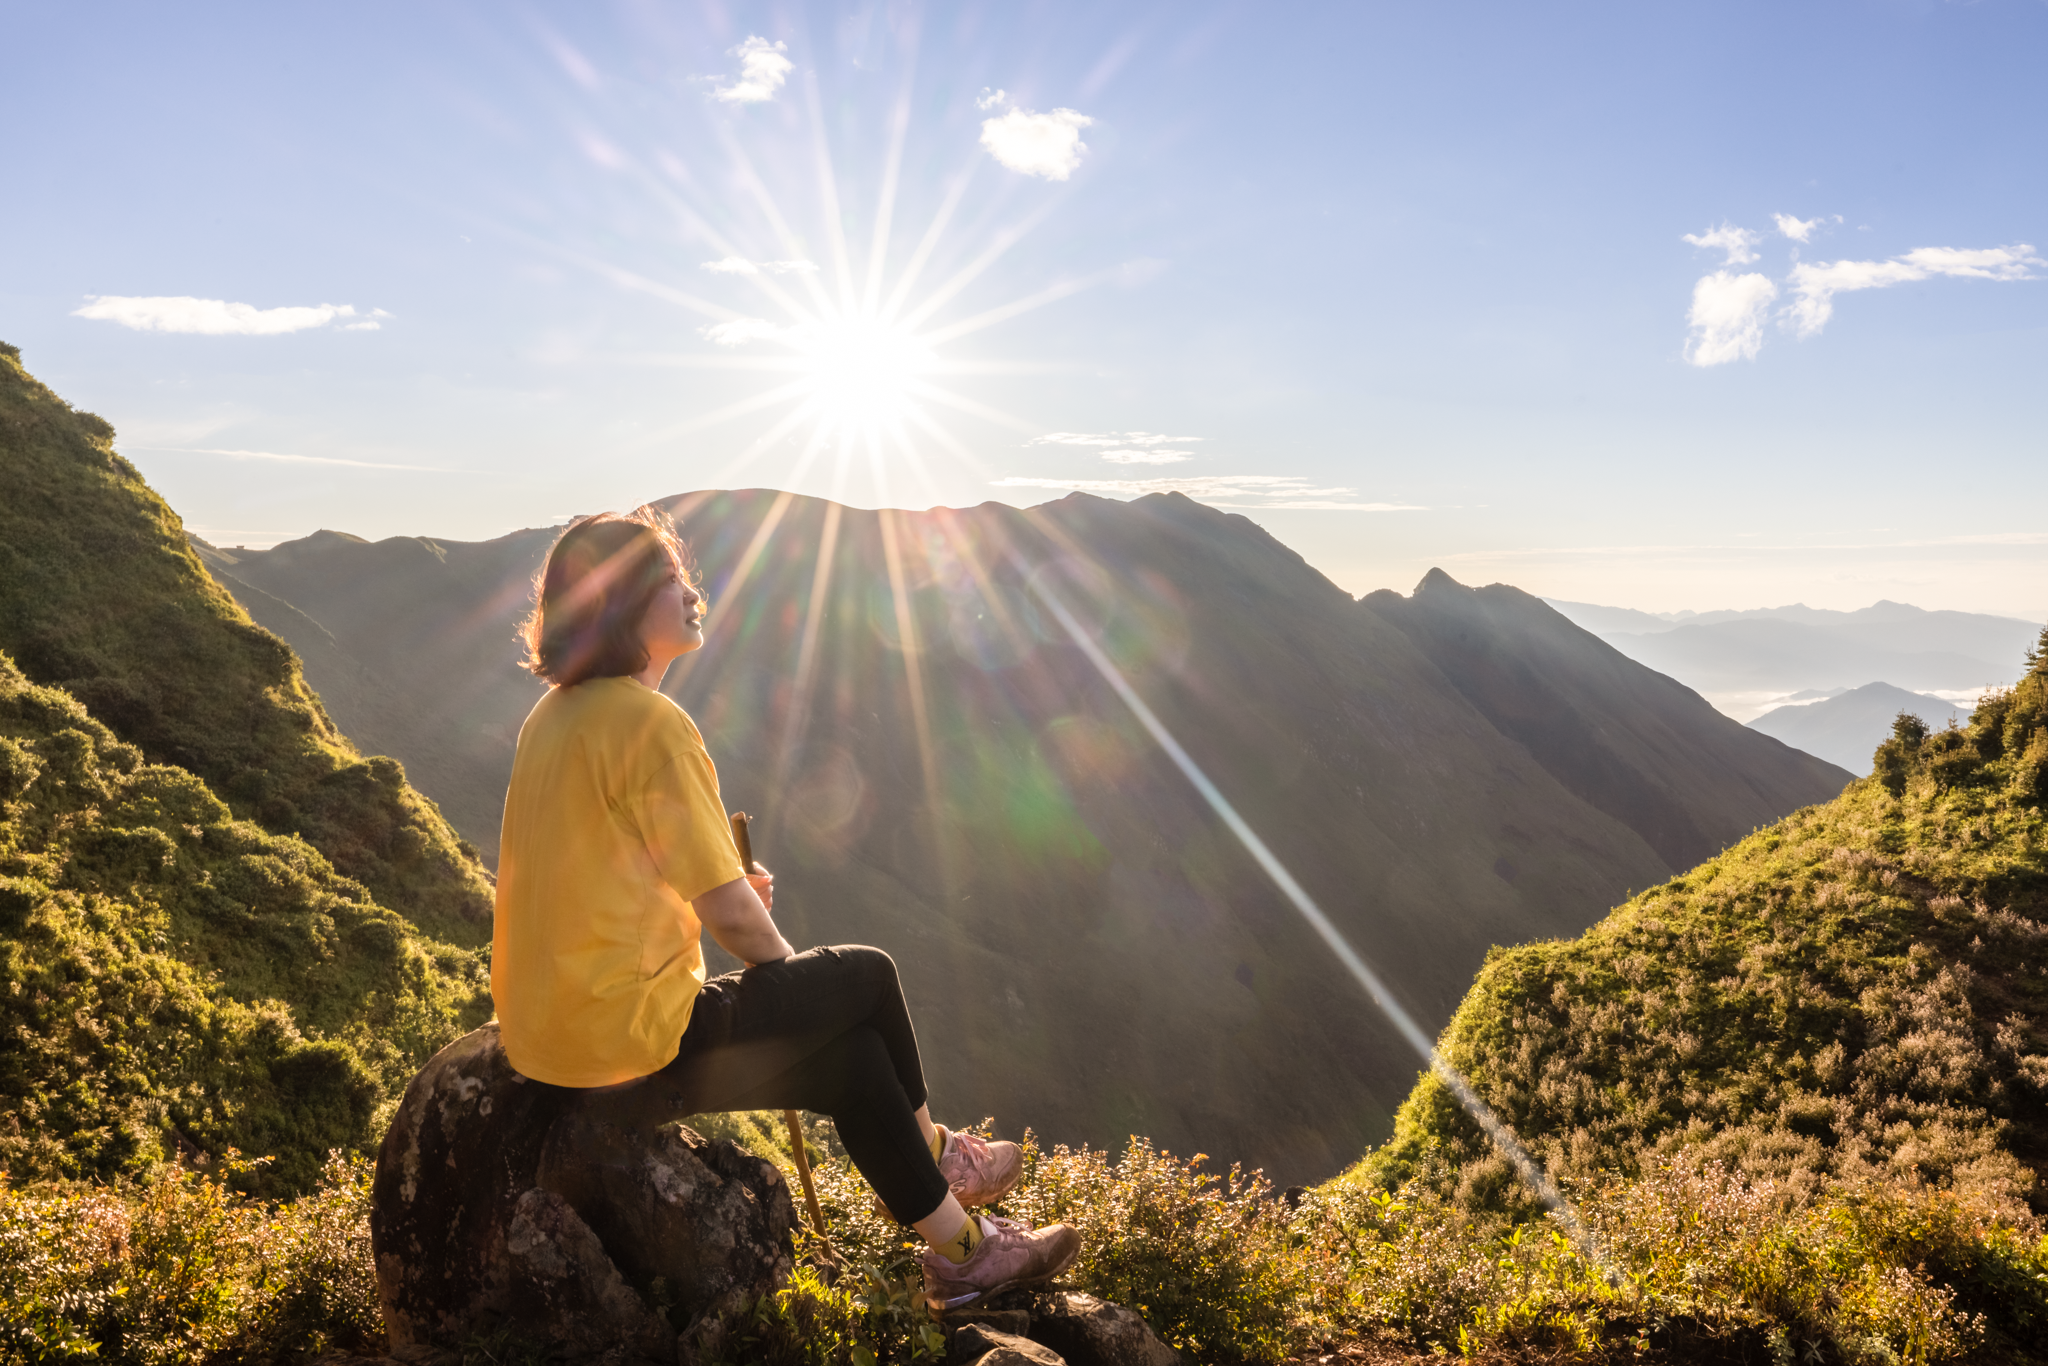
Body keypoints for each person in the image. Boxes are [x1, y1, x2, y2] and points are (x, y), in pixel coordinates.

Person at [489, 508, 1079, 1308]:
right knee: (866, 980)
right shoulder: (652, 725)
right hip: (625, 1044)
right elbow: (733, 920)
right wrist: (795, 990)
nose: (692, 591)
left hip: (550, 1040)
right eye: (669, 578)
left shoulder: (551, 719)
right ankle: (936, 1152)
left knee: (856, 1067)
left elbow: (597, 882)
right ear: (621, 600)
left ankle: (963, 1254)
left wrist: (718, 904)